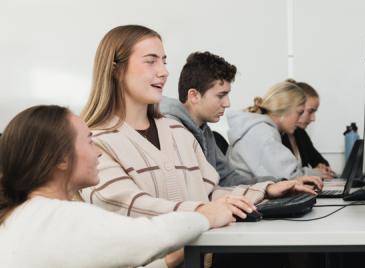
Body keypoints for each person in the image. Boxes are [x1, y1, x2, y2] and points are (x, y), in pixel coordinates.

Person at [78, 25, 315, 266]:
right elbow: (130, 207)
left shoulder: (177, 133)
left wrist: (266, 191)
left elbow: (211, 192)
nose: (164, 72)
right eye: (151, 61)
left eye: (164, 61)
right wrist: (203, 212)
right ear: (116, 70)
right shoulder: (95, 141)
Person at [0, 105, 234, 268]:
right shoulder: (59, 218)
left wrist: (170, 261)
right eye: (90, 141)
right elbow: (153, 235)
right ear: (61, 158)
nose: (98, 151)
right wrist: (207, 214)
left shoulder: (23, 216)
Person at [160, 51, 322, 187]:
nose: (227, 103)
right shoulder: (170, 131)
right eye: (221, 95)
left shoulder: (204, 131)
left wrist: (275, 185)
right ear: (194, 95)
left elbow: (228, 179)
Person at [227, 80, 317, 180]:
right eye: (299, 112)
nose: (299, 119)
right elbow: (290, 177)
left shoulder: (263, 129)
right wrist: (317, 174)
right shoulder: (263, 133)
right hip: (246, 193)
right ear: (285, 110)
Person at [281, 80, 336, 179]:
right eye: (310, 111)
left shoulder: (300, 133)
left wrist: (322, 168)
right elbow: (285, 175)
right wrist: (315, 173)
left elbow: (320, 162)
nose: (313, 118)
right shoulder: (274, 135)